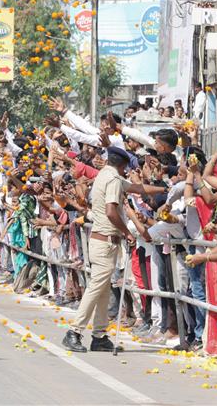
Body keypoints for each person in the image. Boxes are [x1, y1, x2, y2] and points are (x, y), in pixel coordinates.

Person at [62, 147, 165, 353]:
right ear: (123, 165)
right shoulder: (113, 180)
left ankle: (99, 335)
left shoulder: (105, 175)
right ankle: (74, 331)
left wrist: (165, 190)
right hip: (105, 241)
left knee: (102, 289)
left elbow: (138, 188)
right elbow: (111, 211)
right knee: (95, 288)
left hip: (102, 241)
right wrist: (126, 232)